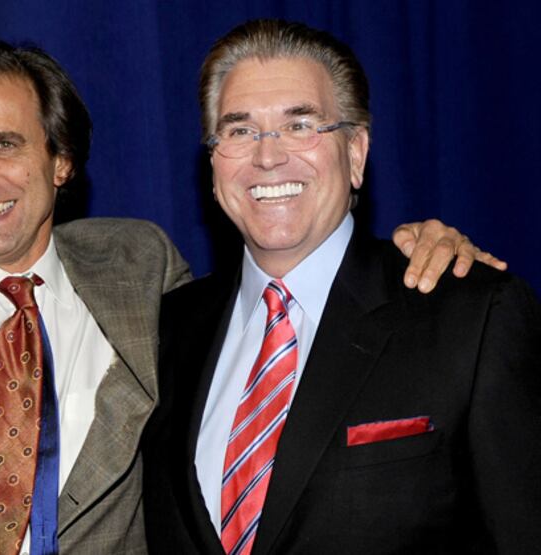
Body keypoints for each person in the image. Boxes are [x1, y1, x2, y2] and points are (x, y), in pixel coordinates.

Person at [0, 41, 501, 555]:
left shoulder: (143, 274)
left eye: (5, 144)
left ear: (62, 162)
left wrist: (417, 243)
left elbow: (297, 288)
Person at [143, 19, 540, 555]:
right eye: (239, 131)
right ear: (212, 164)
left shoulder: (472, 316)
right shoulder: (163, 331)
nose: (267, 156)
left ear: (355, 153)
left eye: (300, 125)